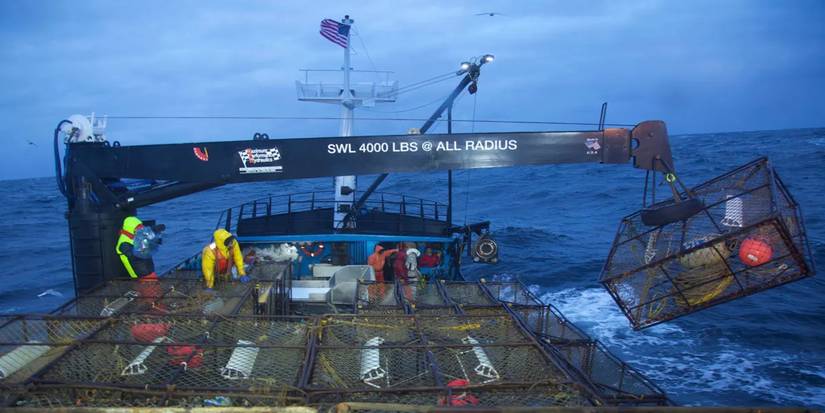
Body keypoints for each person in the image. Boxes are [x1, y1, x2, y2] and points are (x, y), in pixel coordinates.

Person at [116, 216, 165, 280]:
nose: (141, 229)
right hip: (139, 273)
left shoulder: (136, 235)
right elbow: (136, 256)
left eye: (141, 226)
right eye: (138, 228)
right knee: (150, 288)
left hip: (148, 270)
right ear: (130, 228)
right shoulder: (124, 243)